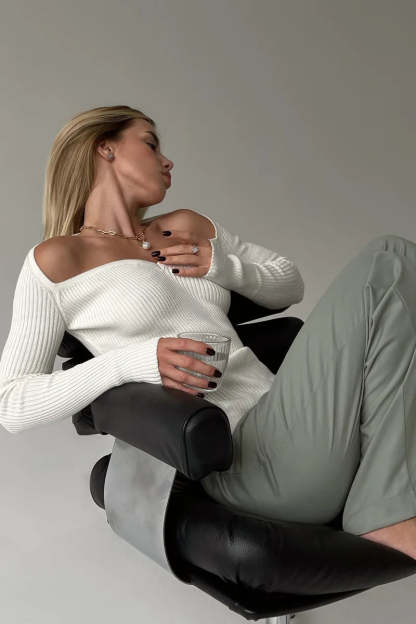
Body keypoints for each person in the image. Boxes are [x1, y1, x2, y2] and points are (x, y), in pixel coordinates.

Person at [0, 105, 415, 562]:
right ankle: (385, 512)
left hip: (294, 427)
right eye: (151, 143)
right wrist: (132, 362)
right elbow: (11, 403)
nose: (167, 161)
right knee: (387, 261)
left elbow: (288, 283)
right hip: (247, 462)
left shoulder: (183, 227)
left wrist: (221, 265)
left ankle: (382, 504)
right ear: (106, 148)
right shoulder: (60, 258)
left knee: (393, 282)